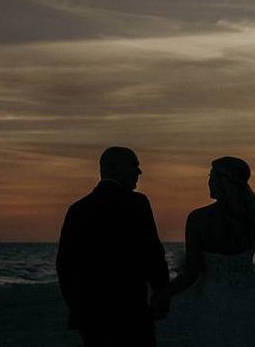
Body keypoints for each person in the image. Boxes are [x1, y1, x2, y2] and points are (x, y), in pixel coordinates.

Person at [151, 156, 255, 346]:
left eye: (211, 175)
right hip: (249, 301)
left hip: (212, 300)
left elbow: (191, 273)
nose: (208, 181)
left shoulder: (198, 219)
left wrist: (163, 294)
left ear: (221, 181)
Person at [56, 147, 170, 347]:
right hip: (130, 310)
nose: (139, 172)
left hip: (90, 316)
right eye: (134, 165)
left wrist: (78, 306)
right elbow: (152, 253)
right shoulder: (136, 203)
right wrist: (162, 294)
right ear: (116, 169)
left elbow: (65, 265)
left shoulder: (77, 209)